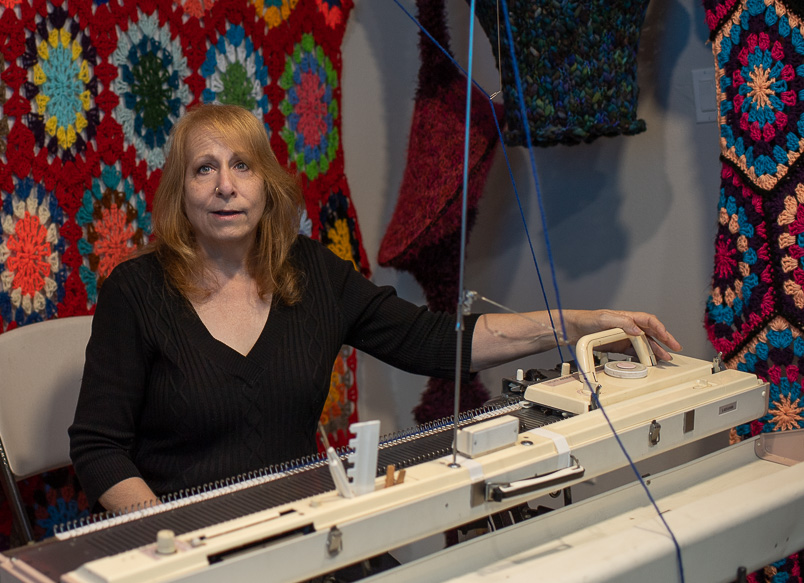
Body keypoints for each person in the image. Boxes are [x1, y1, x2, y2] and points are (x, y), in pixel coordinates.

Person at [67, 104, 681, 512]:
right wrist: (173, 545)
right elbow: (98, 449)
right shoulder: (136, 291)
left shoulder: (310, 271)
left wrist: (579, 324)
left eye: (242, 166)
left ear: (266, 186)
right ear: (180, 193)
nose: (225, 185)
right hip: (181, 546)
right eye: (205, 169)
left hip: (297, 530)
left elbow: (439, 341)